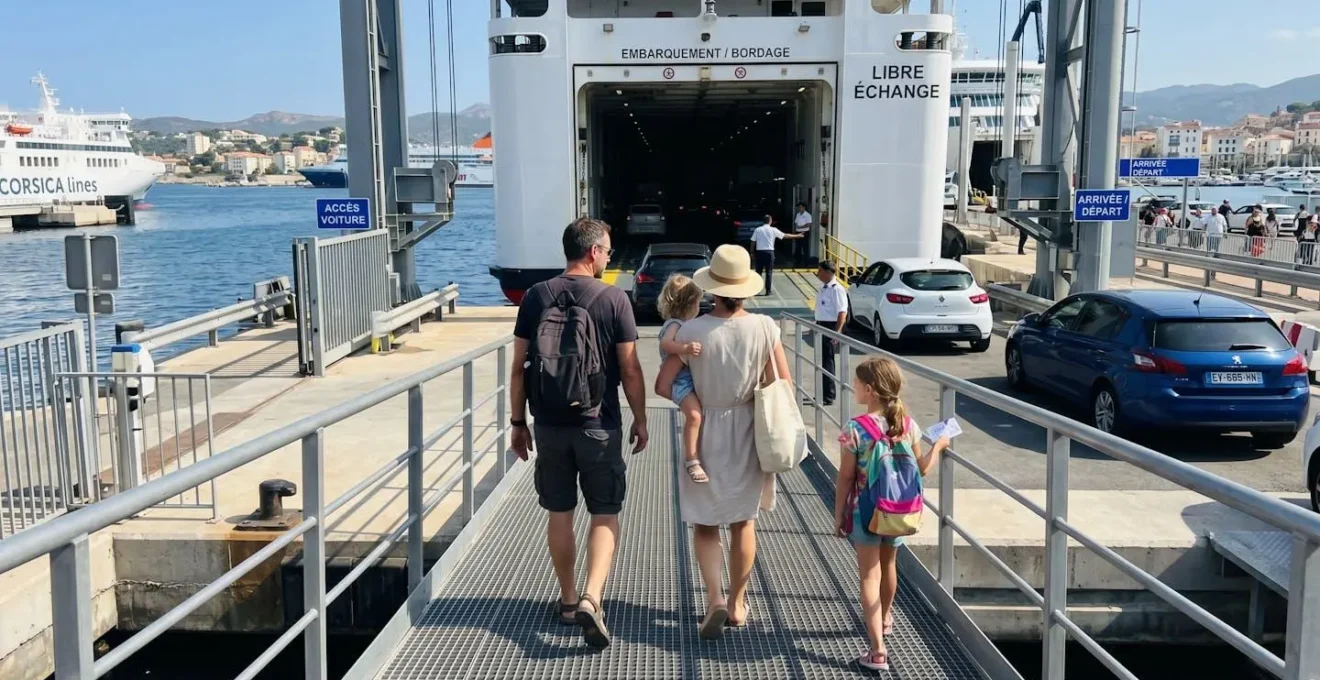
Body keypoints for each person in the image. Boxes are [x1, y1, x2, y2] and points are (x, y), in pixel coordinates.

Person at [508, 217, 650, 649]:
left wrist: (517, 424)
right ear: (593, 253)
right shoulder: (613, 299)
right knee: (605, 513)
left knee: (560, 513)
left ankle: (568, 601)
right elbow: (630, 369)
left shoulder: (535, 297)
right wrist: (641, 419)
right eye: (606, 250)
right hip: (598, 425)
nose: (608, 256)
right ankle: (593, 595)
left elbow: (518, 369)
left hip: (549, 425)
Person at [654, 244, 792, 640]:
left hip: (707, 428)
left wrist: (693, 404)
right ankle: (737, 602)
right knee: (743, 521)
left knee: (705, 523)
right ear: (746, 289)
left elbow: (663, 384)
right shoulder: (766, 328)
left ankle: (713, 598)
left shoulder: (691, 331)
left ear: (711, 288)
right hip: (750, 430)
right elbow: (781, 384)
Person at [833, 356, 950, 671]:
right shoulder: (907, 424)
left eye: (857, 383)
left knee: (868, 576)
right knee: (889, 566)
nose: (854, 388)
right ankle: (885, 617)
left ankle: (877, 651)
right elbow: (921, 469)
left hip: (865, 511)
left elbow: (845, 477)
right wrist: (938, 447)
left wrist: (838, 515)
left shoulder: (853, 429)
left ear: (869, 389)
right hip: (897, 512)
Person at [656, 274, 708, 484]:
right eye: (697, 302)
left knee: (698, 416)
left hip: (686, 378)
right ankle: (691, 460)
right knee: (694, 416)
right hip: (680, 381)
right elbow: (666, 344)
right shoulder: (674, 325)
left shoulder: (681, 324)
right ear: (689, 303)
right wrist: (684, 349)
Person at [815, 261, 849, 407]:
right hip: (821, 325)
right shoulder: (824, 288)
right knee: (822, 361)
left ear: (829, 272)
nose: (818, 273)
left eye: (821, 271)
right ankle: (824, 392)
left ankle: (829, 395)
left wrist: (837, 332)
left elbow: (842, 312)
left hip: (830, 327)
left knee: (828, 361)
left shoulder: (837, 290)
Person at [750, 214, 805, 296]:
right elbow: (785, 236)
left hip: (760, 252)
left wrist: (751, 252)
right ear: (770, 221)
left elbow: (753, 241)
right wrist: (797, 236)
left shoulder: (758, 230)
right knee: (769, 272)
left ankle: (756, 290)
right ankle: (768, 291)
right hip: (769, 252)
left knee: (758, 272)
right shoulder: (773, 230)